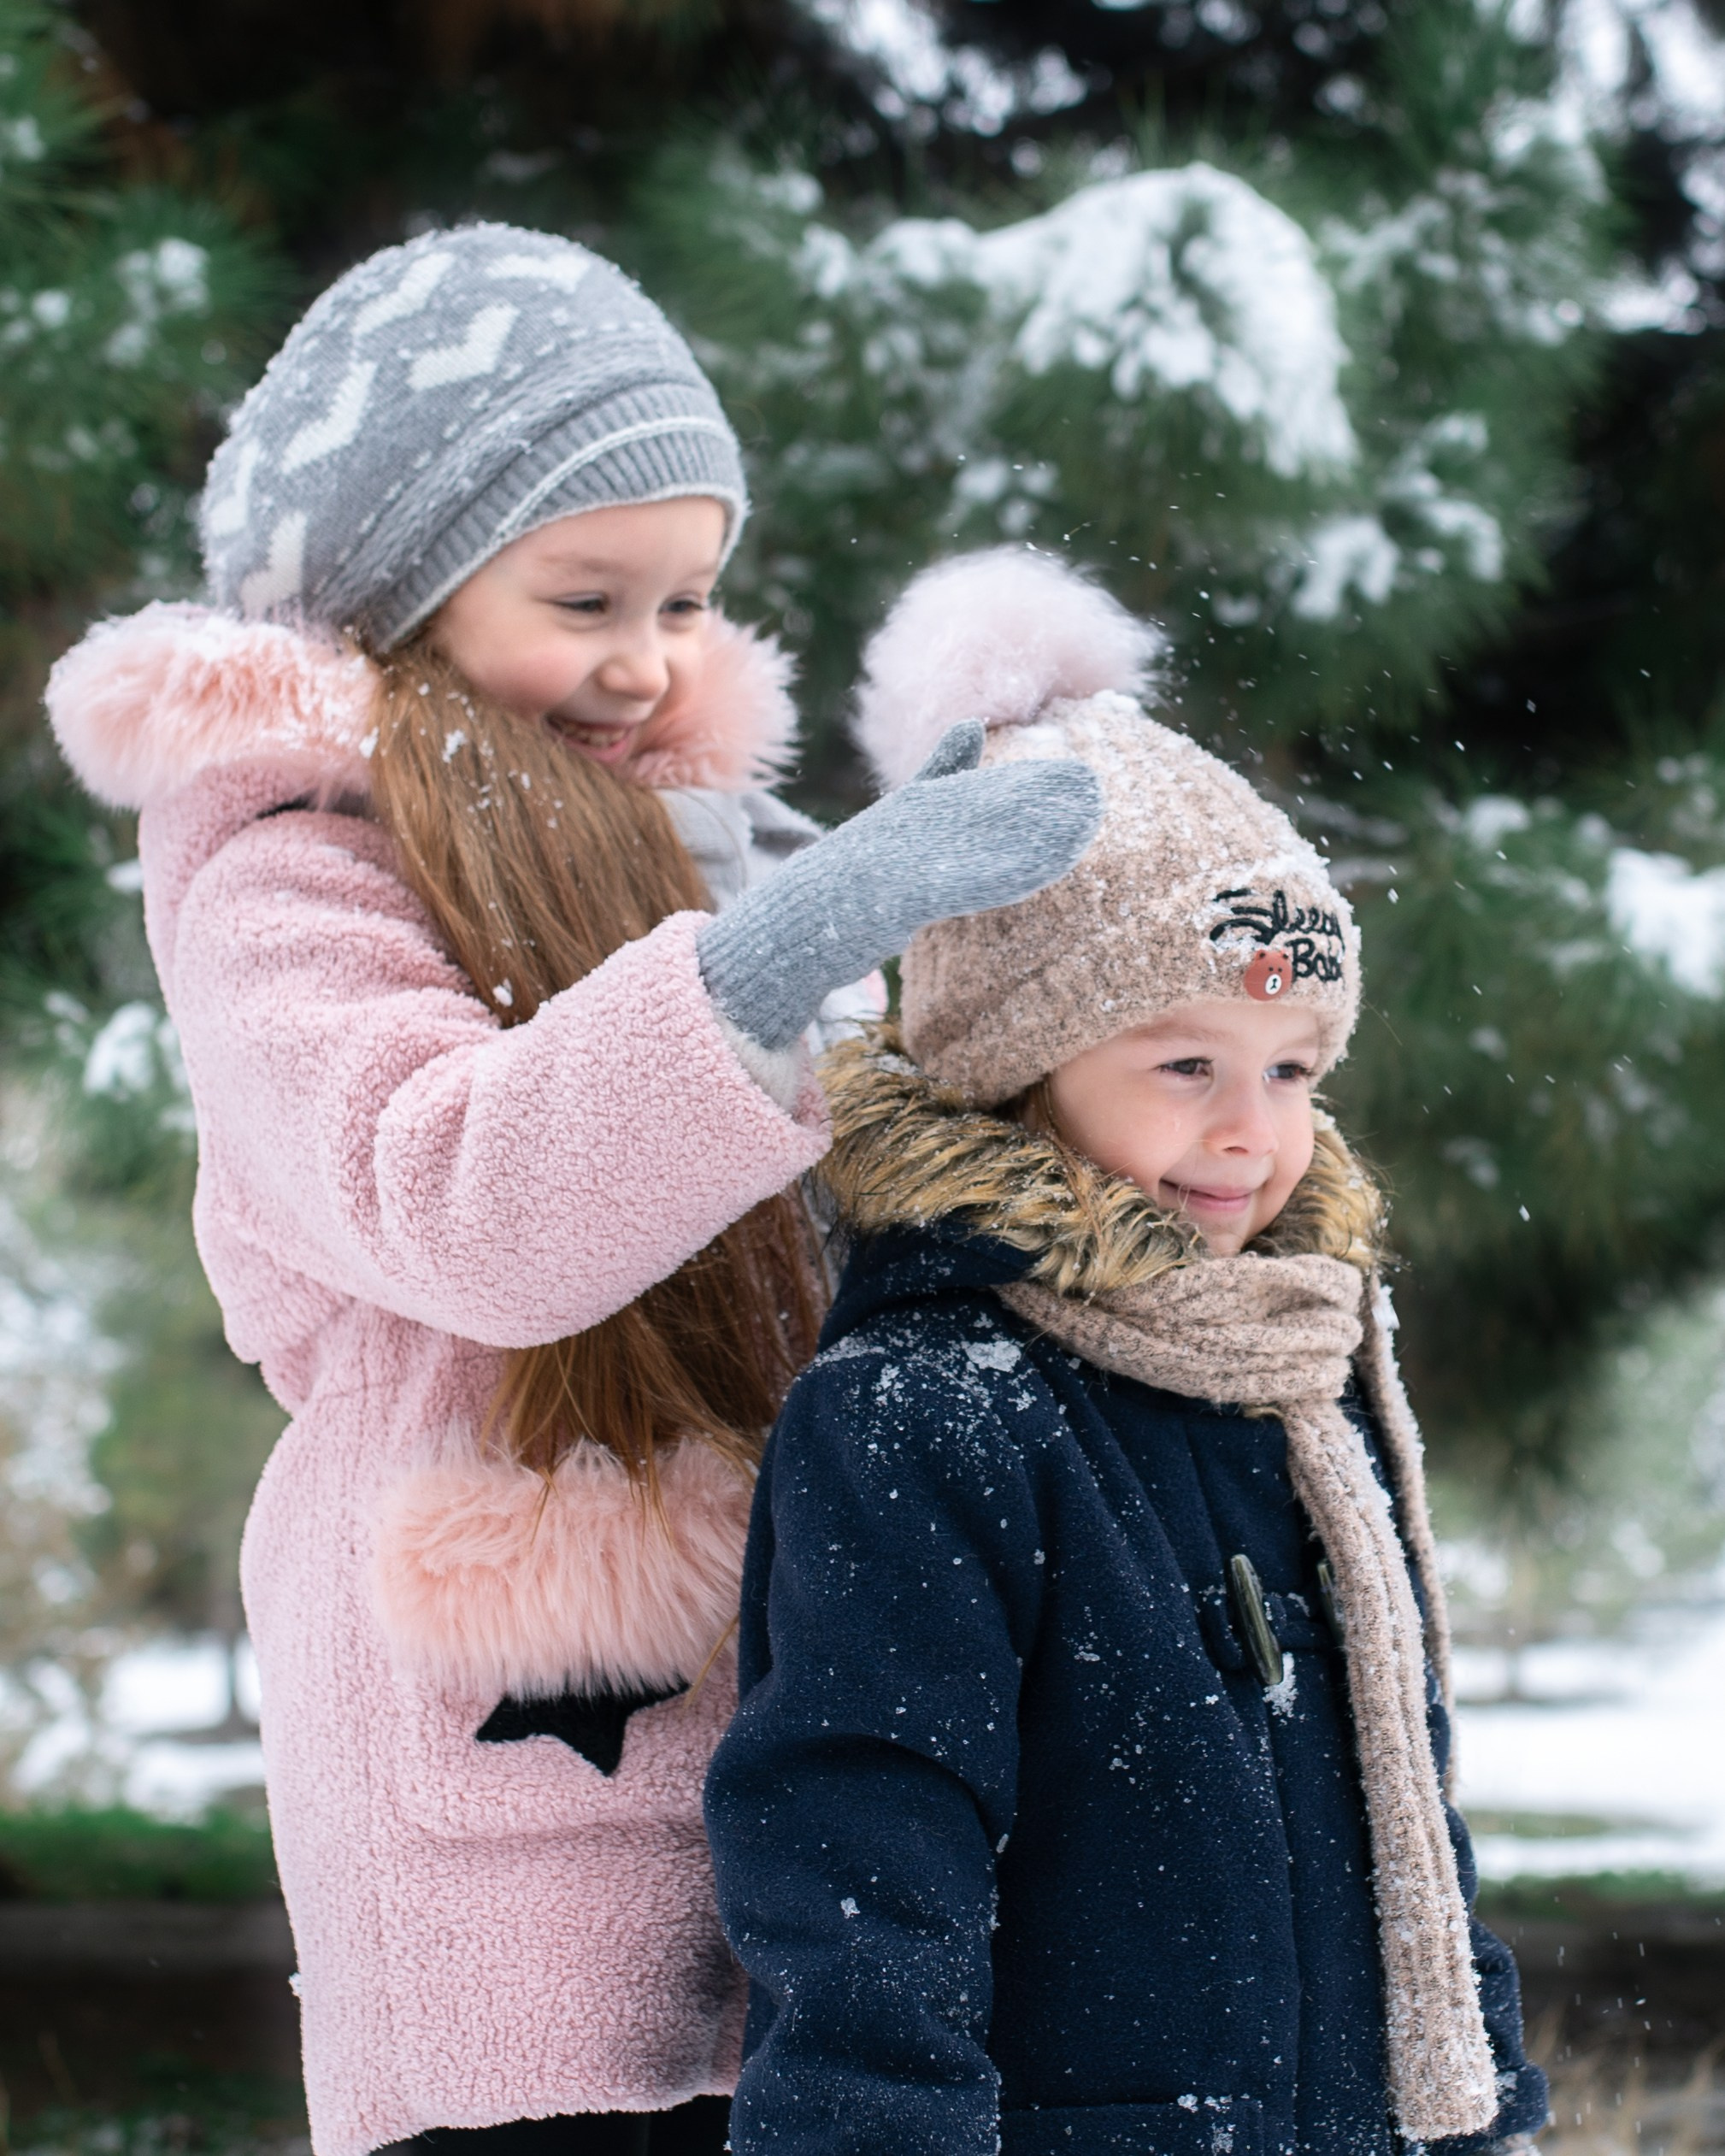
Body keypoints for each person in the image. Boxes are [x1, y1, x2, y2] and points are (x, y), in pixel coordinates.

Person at [44, 233, 1101, 2156]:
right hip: (528, 1791)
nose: (647, 657)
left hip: (803, 1731)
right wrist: (807, 933)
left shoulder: (706, 848)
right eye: (586, 597)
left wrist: (951, 941)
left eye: (687, 598)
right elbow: (465, 1198)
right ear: (402, 591)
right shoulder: (287, 875)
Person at [703, 548, 1550, 2156]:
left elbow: (1406, 1813)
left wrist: (1479, 2106)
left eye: (1291, 1068)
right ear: (1018, 1062)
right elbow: (860, 1839)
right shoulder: (924, 1409)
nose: (1251, 1131)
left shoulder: (1299, 1372)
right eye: (1185, 1064)